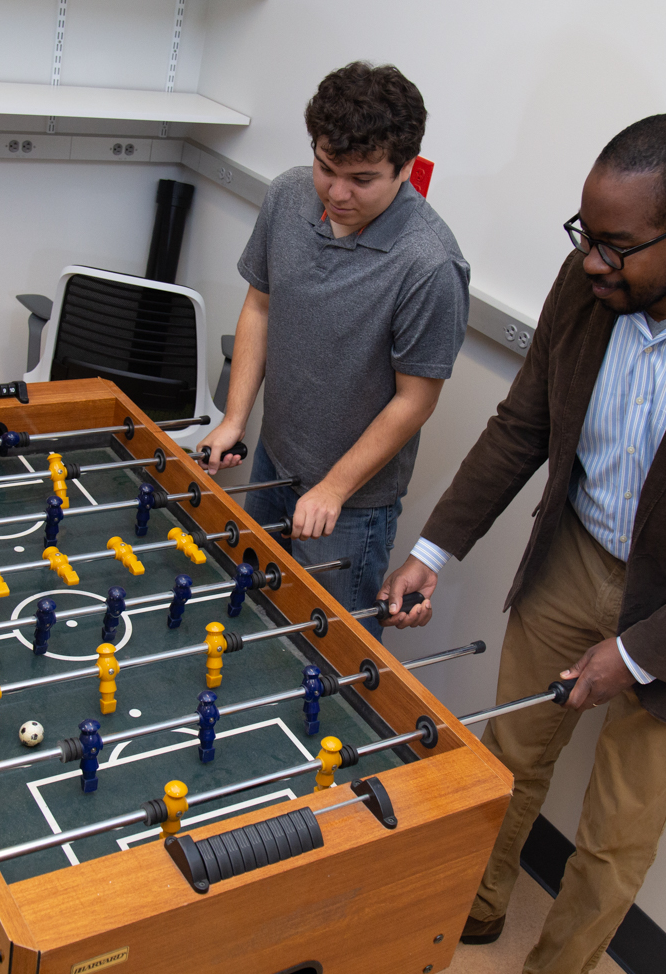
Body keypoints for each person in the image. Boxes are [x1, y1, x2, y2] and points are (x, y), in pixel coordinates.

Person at [379, 114, 666, 972]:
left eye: (616, 245)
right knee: (508, 762)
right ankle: (476, 914)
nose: (591, 260)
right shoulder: (587, 284)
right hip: (575, 558)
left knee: (614, 835)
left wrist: (634, 655)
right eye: (583, 235)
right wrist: (433, 552)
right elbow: (524, 425)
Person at [198, 62, 470, 637]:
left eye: (362, 179)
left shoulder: (430, 264)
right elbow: (260, 306)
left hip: (354, 505)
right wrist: (235, 419)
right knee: (248, 617)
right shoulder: (289, 195)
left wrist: (334, 489)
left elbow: (414, 401)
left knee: (328, 658)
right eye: (327, 167)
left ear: (405, 169)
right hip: (275, 458)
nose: (337, 192)